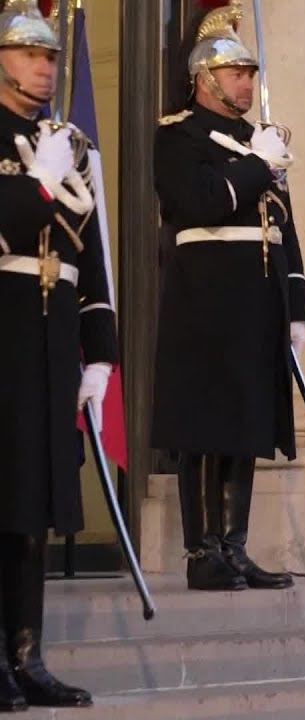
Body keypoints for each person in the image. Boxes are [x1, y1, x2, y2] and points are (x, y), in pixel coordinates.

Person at [151, 0, 305, 591]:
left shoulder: (258, 140)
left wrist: (297, 304)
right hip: (206, 296)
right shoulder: (178, 135)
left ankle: (235, 547)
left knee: (247, 422)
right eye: (237, 73)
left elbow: (283, 226)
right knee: (205, 423)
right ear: (205, 78)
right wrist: (257, 167)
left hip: (258, 296)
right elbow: (199, 201)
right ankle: (203, 551)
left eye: (249, 73)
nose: (247, 83)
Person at [0, 0, 111, 708]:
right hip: (4, 327)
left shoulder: (68, 142)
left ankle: (27, 655)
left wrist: (98, 354)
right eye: (30, 54)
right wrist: (37, 186)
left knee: (35, 500)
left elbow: (90, 258)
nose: (45, 67)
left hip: (49, 337)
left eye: (50, 56)